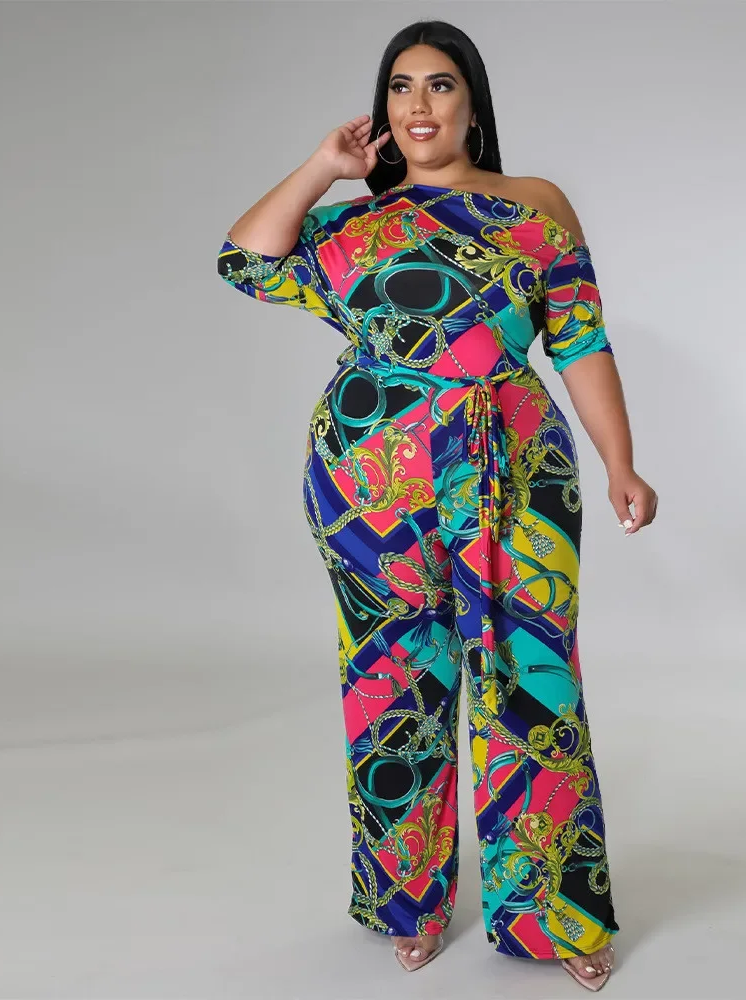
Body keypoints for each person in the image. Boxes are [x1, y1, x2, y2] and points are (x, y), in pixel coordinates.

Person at [216, 18, 657, 993]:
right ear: (382, 111)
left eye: (440, 84)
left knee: (530, 681)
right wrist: (323, 167)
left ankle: (555, 912)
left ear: (473, 104)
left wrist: (621, 463)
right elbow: (243, 258)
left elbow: (581, 341)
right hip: (370, 482)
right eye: (401, 87)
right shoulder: (353, 226)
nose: (419, 104)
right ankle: (404, 904)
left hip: (514, 465)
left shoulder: (535, 205)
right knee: (393, 684)